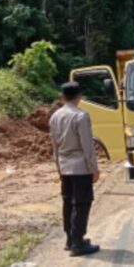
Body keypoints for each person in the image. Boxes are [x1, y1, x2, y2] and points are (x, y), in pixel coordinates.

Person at [49, 81, 101, 256]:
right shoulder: (81, 116)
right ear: (80, 96)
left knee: (68, 203)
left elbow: (54, 146)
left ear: (62, 97)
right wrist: (93, 167)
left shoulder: (55, 117)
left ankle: (70, 239)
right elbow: (87, 145)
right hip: (80, 166)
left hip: (64, 165)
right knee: (81, 203)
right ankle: (78, 242)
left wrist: (58, 167)